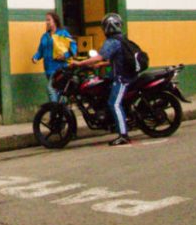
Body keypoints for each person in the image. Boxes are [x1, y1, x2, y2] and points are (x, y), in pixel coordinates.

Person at [70, 13, 133, 146]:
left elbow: (99, 57)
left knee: (114, 103)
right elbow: (115, 60)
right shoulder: (121, 39)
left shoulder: (112, 41)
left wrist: (80, 63)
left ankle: (123, 135)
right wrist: (100, 65)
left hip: (122, 78)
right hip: (124, 75)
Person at [31, 11, 74, 102]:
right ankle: (62, 112)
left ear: (55, 21)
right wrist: (35, 57)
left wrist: (65, 55)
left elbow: (73, 46)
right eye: (46, 20)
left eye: (48, 20)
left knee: (50, 89)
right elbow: (40, 50)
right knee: (59, 92)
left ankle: (55, 110)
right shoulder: (45, 36)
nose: (46, 22)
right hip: (48, 69)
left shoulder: (63, 33)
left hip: (60, 68)